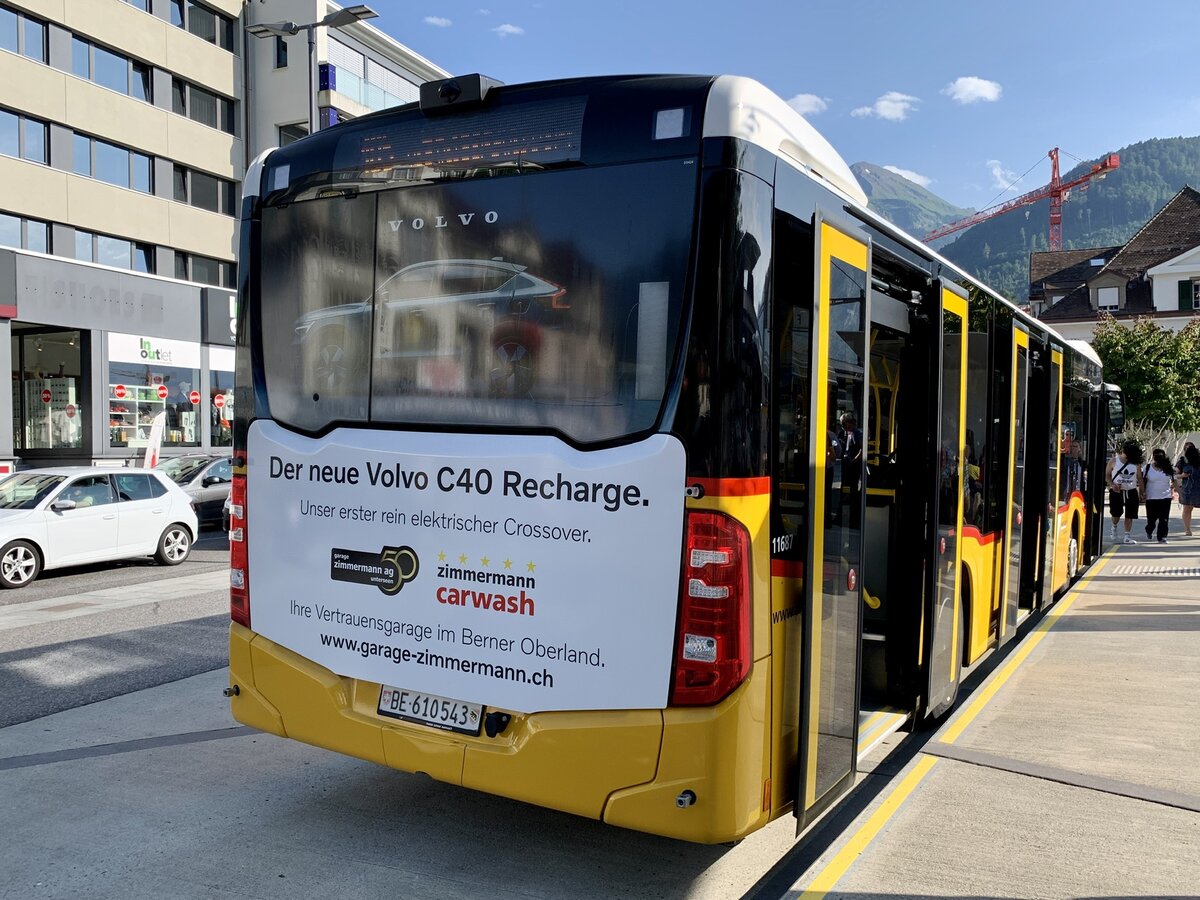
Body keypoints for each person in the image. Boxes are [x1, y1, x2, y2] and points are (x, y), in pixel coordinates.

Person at [1105, 440, 1144, 544]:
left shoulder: (1136, 462)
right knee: (1116, 514)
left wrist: (1142, 492)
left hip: (1131, 490)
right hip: (1117, 491)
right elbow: (1107, 475)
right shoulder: (1114, 461)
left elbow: (1139, 477)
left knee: (1130, 514)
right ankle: (1114, 527)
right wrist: (1112, 485)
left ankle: (1127, 535)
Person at [1141, 447, 1177, 544]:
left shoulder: (1169, 468)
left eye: (1160, 455)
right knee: (1152, 520)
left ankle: (1162, 537)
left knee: (1164, 519)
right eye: (1156, 455)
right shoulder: (1147, 468)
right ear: (1153, 457)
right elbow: (1142, 481)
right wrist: (1142, 493)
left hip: (1165, 497)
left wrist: (1179, 494)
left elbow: (1174, 482)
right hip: (1151, 497)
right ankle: (1149, 530)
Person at [1175, 442, 1199, 537]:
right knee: (1187, 509)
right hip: (1188, 489)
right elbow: (1174, 474)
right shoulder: (1182, 461)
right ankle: (1187, 529)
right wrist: (1182, 475)